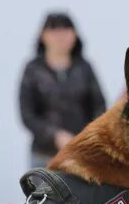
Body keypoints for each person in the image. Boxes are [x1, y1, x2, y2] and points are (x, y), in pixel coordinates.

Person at [18, 12, 106, 167]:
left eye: (66, 30)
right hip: (43, 155)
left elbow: (99, 107)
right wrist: (54, 135)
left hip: (81, 154)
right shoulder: (33, 69)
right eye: (54, 31)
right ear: (43, 35)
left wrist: (84, 138)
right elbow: (28, 115)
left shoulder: (84, 68)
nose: (60, 36)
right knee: (43, 192)